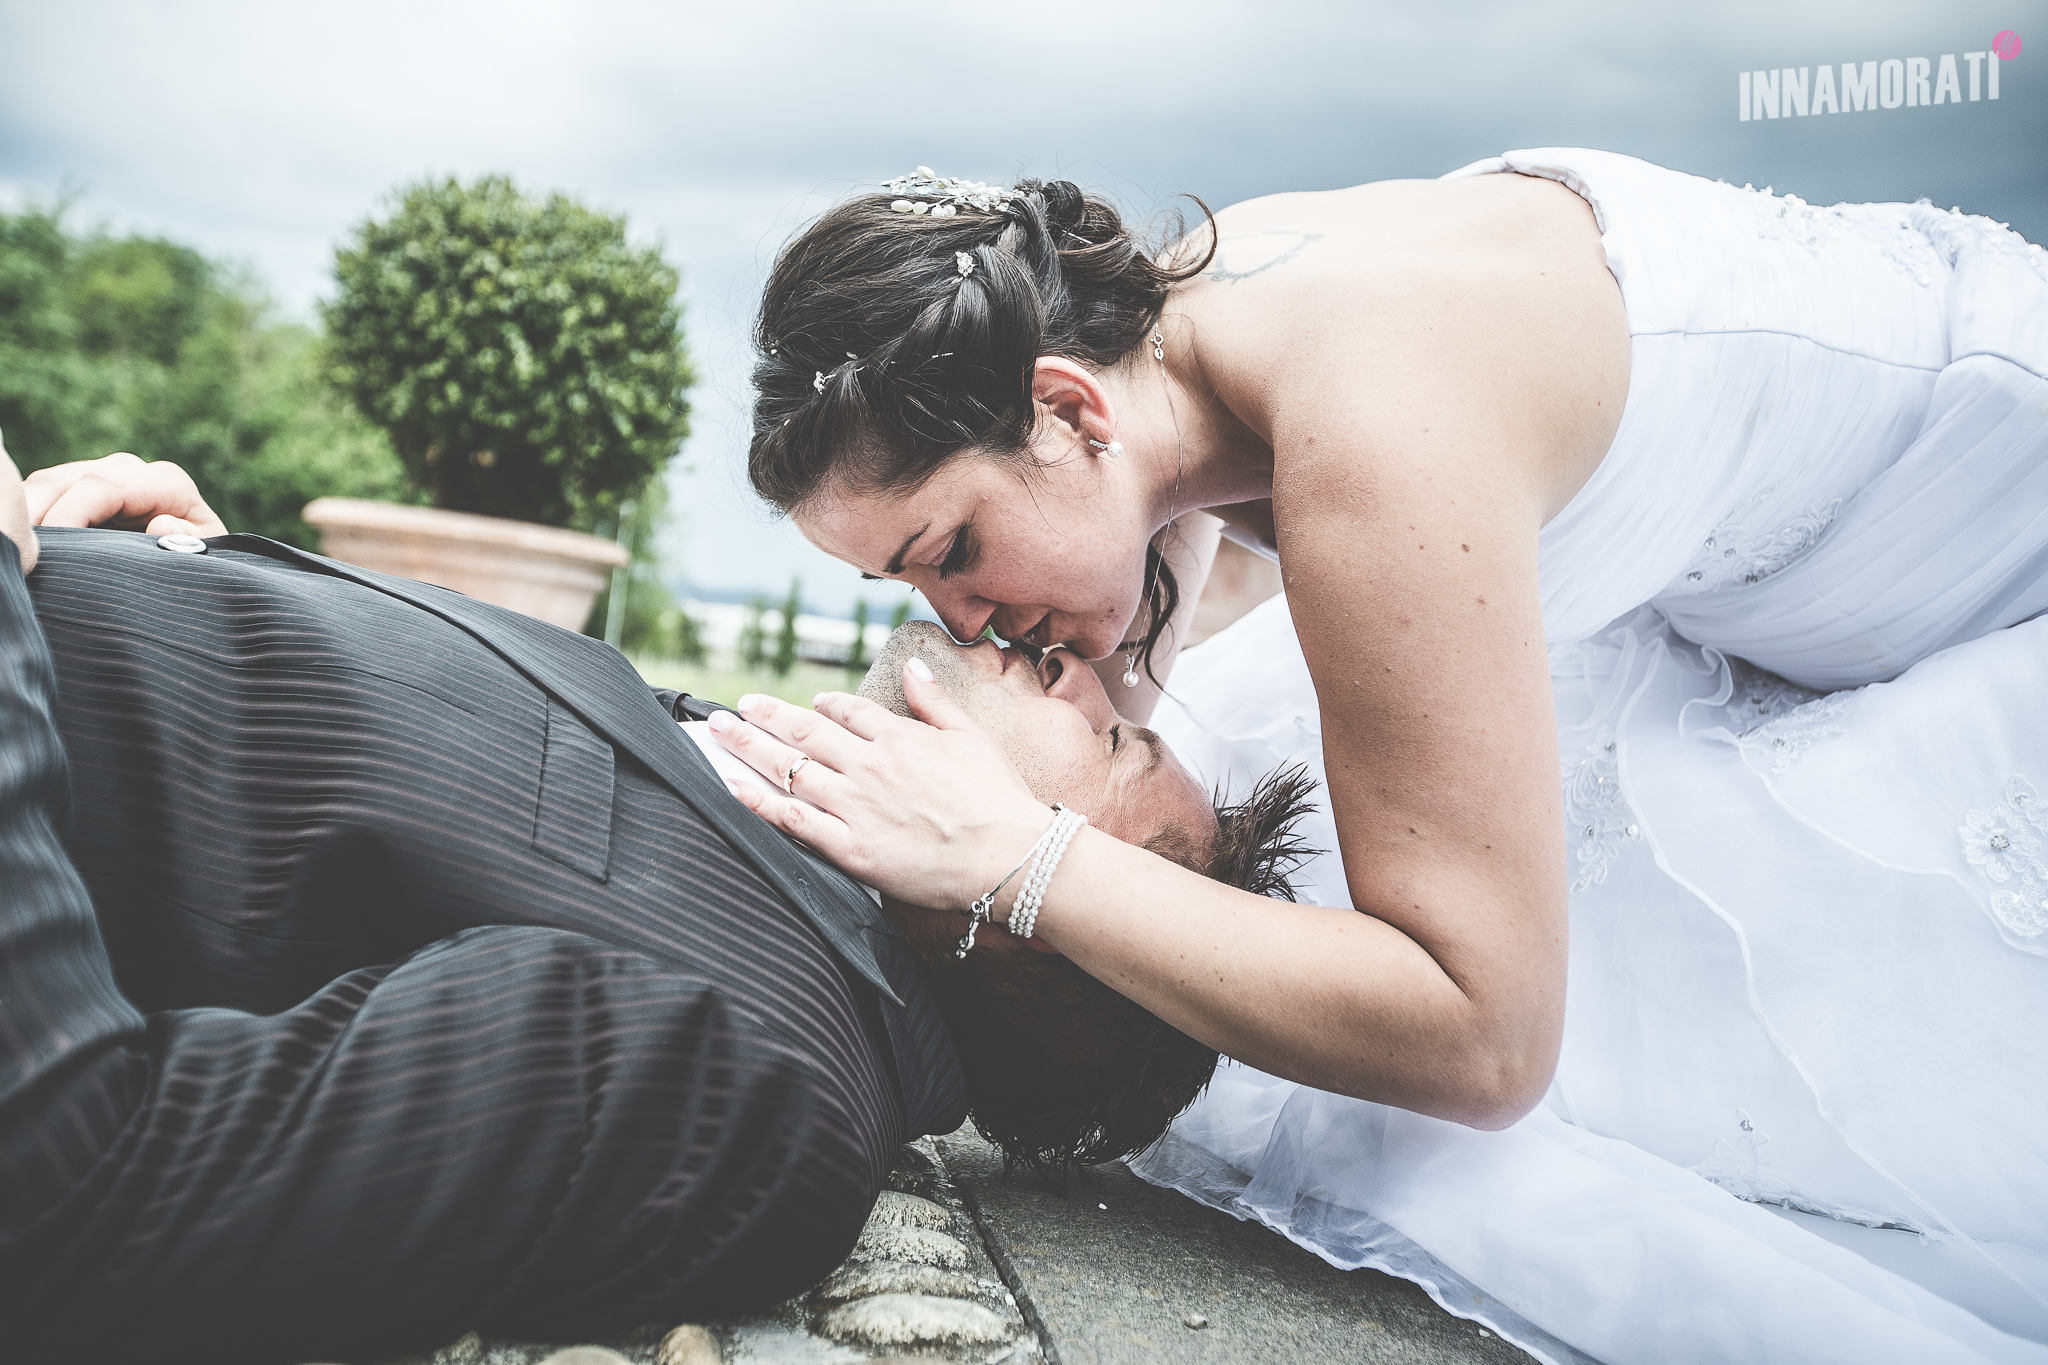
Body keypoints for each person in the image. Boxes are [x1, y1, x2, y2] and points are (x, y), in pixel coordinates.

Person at [712, 153, 2048, 1360]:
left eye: (950, 550)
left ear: (1065, 408)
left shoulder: (1371, 420)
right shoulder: (1171, 339)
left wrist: (1015, 859)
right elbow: (1095, 706)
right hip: (1795, 582)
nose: (967, 624)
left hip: (1996, 551)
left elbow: (1493, 1036)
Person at [0, 452, 1309, 1361]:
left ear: (1034, 918)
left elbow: (75, 1184)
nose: (1082, 670)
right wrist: (194, 586)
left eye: (1115, 746)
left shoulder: (765, 1078)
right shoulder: (760, 831)